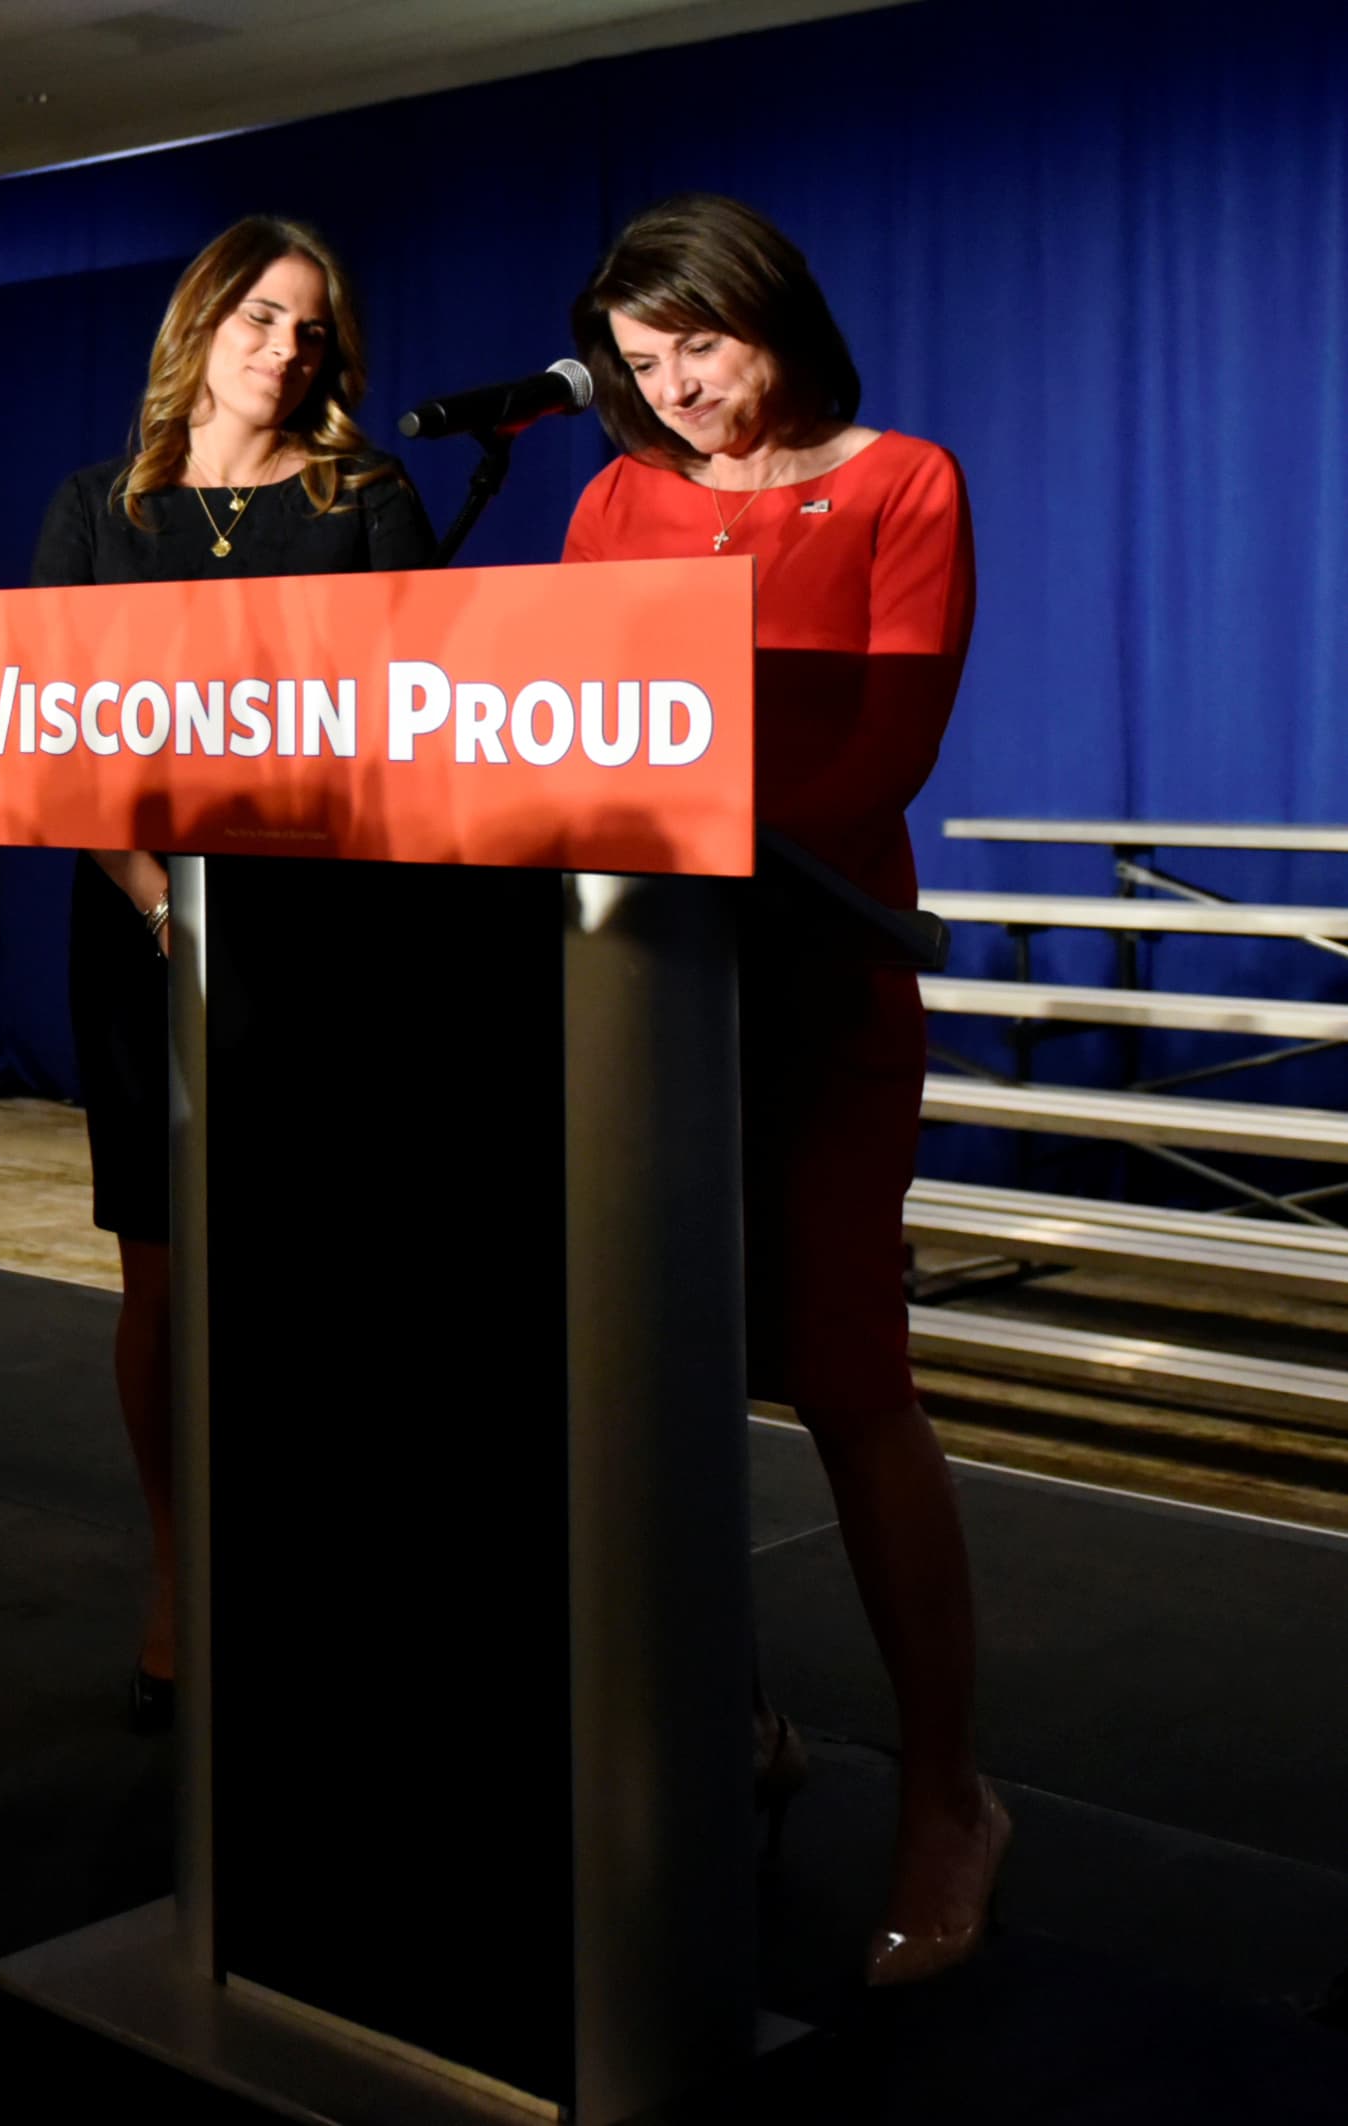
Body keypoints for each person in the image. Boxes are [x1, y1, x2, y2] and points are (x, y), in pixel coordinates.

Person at [561, 193, 997, 1986]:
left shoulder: (905, 485)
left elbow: (885, 751)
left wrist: (693, 830)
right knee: (646, 1379)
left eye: (701, 348)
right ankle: (724, 1726)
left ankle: (948, 1796)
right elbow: (568, 725)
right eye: (643, 363)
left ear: (776, 318)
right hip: (644, 993)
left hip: (819, 982)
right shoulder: (614, 500)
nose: (676, 391)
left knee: (844, 1374)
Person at [29, 217, 436, 1733]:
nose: (286, 348)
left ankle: (317, 1564)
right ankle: (180, 1572)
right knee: (164, 1274)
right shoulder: (98, 508)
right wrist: (160, 905)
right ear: (201, 324)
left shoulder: (367, 498)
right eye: (262, 316)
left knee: (314, 1273)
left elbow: (415, 735)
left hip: (325, 942)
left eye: (312, 329)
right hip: (142, 932)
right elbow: (51, 739)